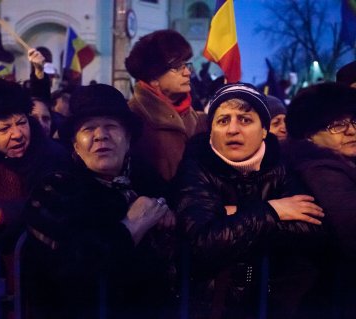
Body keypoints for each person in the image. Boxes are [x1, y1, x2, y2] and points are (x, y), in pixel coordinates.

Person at [172, 83, 325, 319]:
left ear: (264, 130)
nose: (233, 129)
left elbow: (311, 228)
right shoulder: (196, 167)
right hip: (213, 304)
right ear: (211, 130)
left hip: (273, 302)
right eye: (223, 120)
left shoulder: (281, 165)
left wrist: (235, 215)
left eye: (244, 120)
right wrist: (273, 210)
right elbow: (203, 241)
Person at [24, 84, 177, 319]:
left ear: (128, 141)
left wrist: (166, 211)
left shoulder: (146, 181)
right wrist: (131, 226)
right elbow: (73, 267)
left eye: (111, 127)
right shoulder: (54, 189)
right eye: (88, 128)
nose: (100, 135)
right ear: (75, 144)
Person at [0, 75, 70, 318]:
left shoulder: (52, 156)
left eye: (21, 122)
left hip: (40, 288)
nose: (18, 134)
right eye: (4, 128)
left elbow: (52, 204)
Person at [284, 82, 356, 319]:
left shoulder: (343, 164)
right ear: (309, 135)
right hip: (325, 299)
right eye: (337, 125)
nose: (351, 131)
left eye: (353, 121)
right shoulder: (321, 171)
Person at [125, 29, 207, 181]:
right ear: (154, 77)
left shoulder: (200, 120)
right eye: (177, 67)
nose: (187, 72)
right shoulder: (131, 119)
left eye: (186, 64)